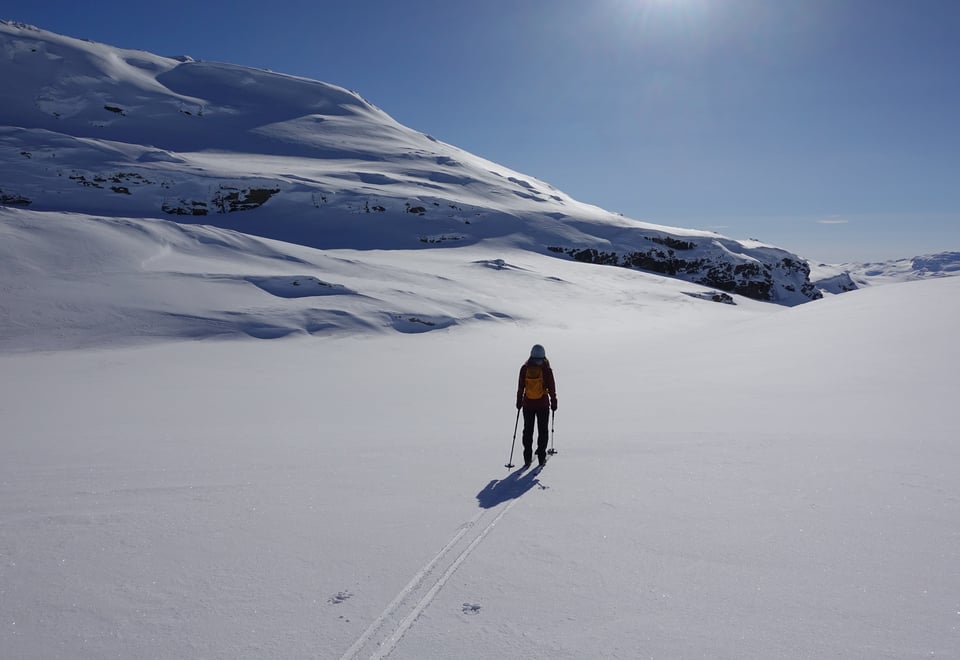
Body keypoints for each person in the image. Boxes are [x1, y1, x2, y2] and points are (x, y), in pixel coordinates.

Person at [516, 344, 557, 467]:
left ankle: (527, 457)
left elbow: (520, 387)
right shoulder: (546, 369)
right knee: (542, 430)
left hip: (528, 404)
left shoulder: (525, 368)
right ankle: (541, 457)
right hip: (543, 404)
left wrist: (519, 402)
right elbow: (551, 387)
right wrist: (554, 401)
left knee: (528, 430)